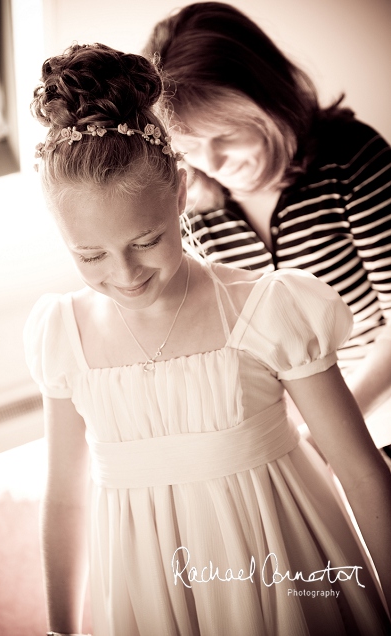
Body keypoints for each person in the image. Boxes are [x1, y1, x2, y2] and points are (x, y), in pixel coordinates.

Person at [26, 42, 391, 635]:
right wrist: (61, 628)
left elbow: (360, 470)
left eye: (145, 241)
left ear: (178, 194)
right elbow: (65, 499)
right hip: (147, 590)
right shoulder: (62, 333)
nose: (125, 274)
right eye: (89, 254)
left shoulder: (268, 308)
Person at [143, 2, 391, 448]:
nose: (213, 163)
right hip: (290, 429)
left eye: (226, 135)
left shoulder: (352, 159)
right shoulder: (191, 209)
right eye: (191, 146)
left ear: (269, 103)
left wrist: (332, 432)